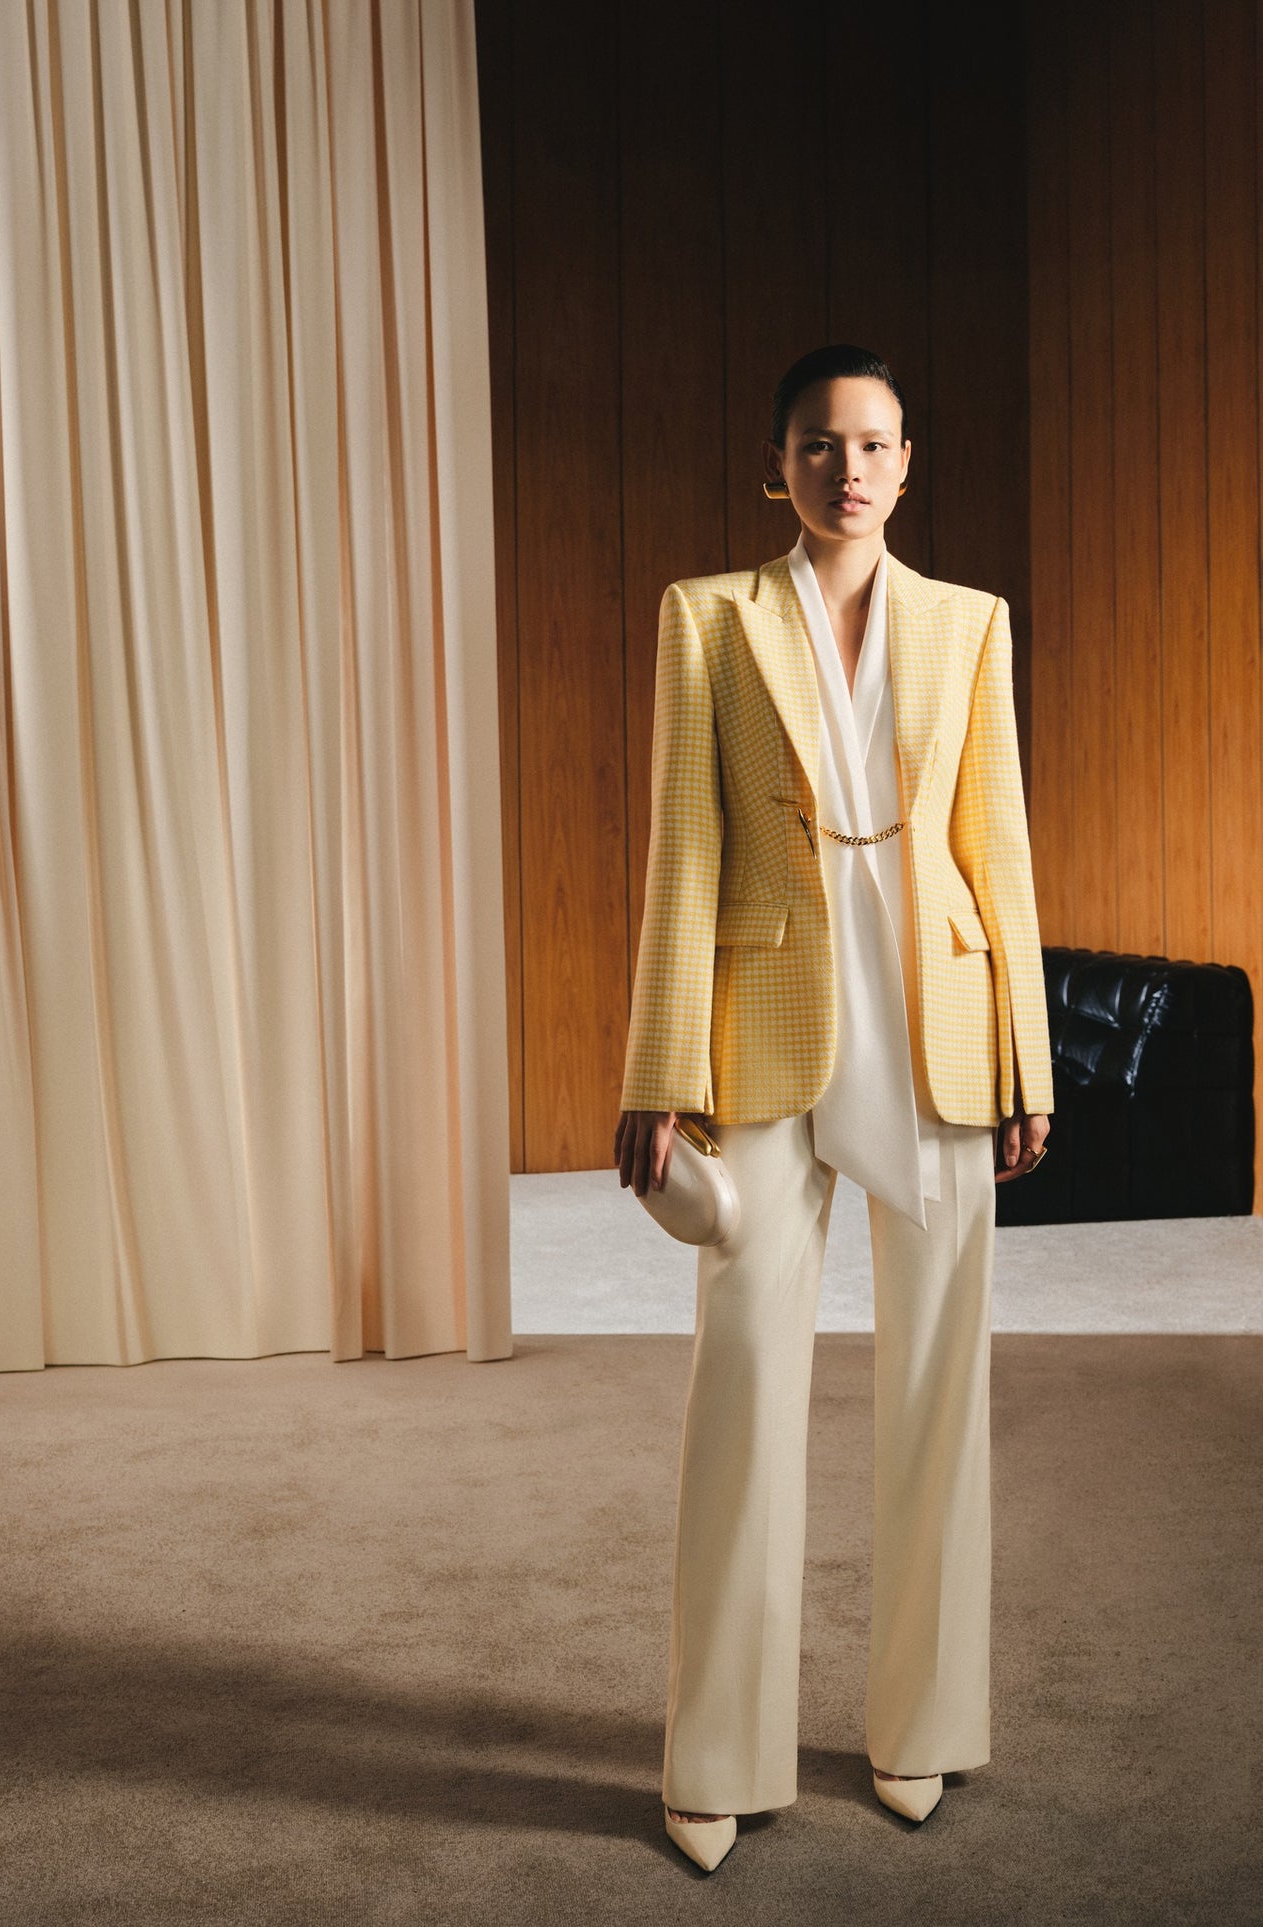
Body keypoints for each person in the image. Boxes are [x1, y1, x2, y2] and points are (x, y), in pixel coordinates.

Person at [613, 344, 1052, 1874]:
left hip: (936, 1019)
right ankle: (716, 1757)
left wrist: (1026, 1055)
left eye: (870, 444)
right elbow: (682, 852)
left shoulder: (968, 622)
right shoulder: (707, 618)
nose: (845, 468)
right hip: (766, 1024)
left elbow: (998, 847)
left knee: (939, 1387)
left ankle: (921, 1725)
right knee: (742, 1378)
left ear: (906, 463)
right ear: (775, 464)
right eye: (817, 443)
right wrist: (656, 1072)